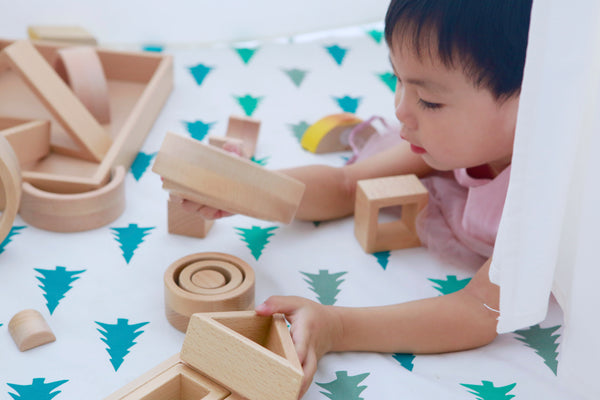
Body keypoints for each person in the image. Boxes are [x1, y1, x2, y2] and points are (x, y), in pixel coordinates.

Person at [174, 0, 533, 397]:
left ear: (534, 102)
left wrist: (337, 327)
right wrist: (247, 188)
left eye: (429, 101)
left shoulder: (546, 201)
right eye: (397, 80)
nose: (400, 112)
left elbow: (478, 311)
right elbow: (348, 184)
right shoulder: (461, 140)